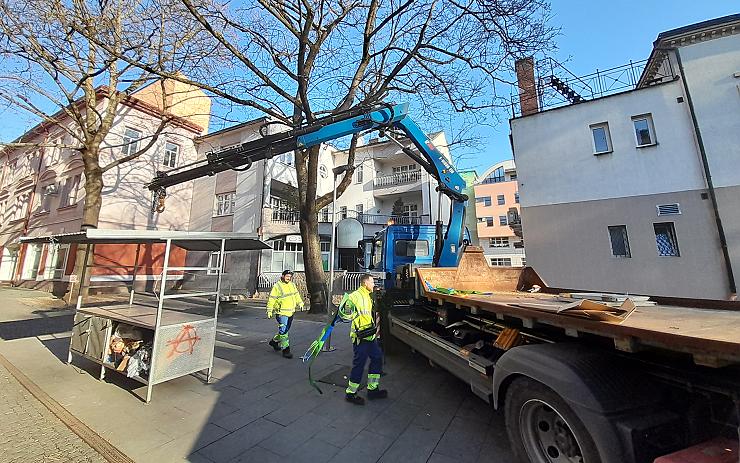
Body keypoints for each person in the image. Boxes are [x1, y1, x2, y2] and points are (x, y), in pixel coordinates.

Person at [344, 273, 387, 405]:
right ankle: (351, 393)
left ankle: (372, 389)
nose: (374, 284)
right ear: (365, 283)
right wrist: (347, 309)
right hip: (360, 337)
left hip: (370, 336)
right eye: (372, 282)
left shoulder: (368, 296)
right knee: (359, 364)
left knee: (377, 358)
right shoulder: (354, 296)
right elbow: (345, 314)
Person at [267, 269, 304, 359]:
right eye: (287, 276)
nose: (289, 278)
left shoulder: (292, 285)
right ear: (283, 276)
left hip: (291, 312)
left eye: (290, 277)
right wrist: (269, 310)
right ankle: (286, 350)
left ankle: (274, 341)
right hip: (281, 313)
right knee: (284, 331)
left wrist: (300, 303)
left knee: (285, 330)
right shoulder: (277, 286)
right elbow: (272, 298)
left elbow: (296, 295)